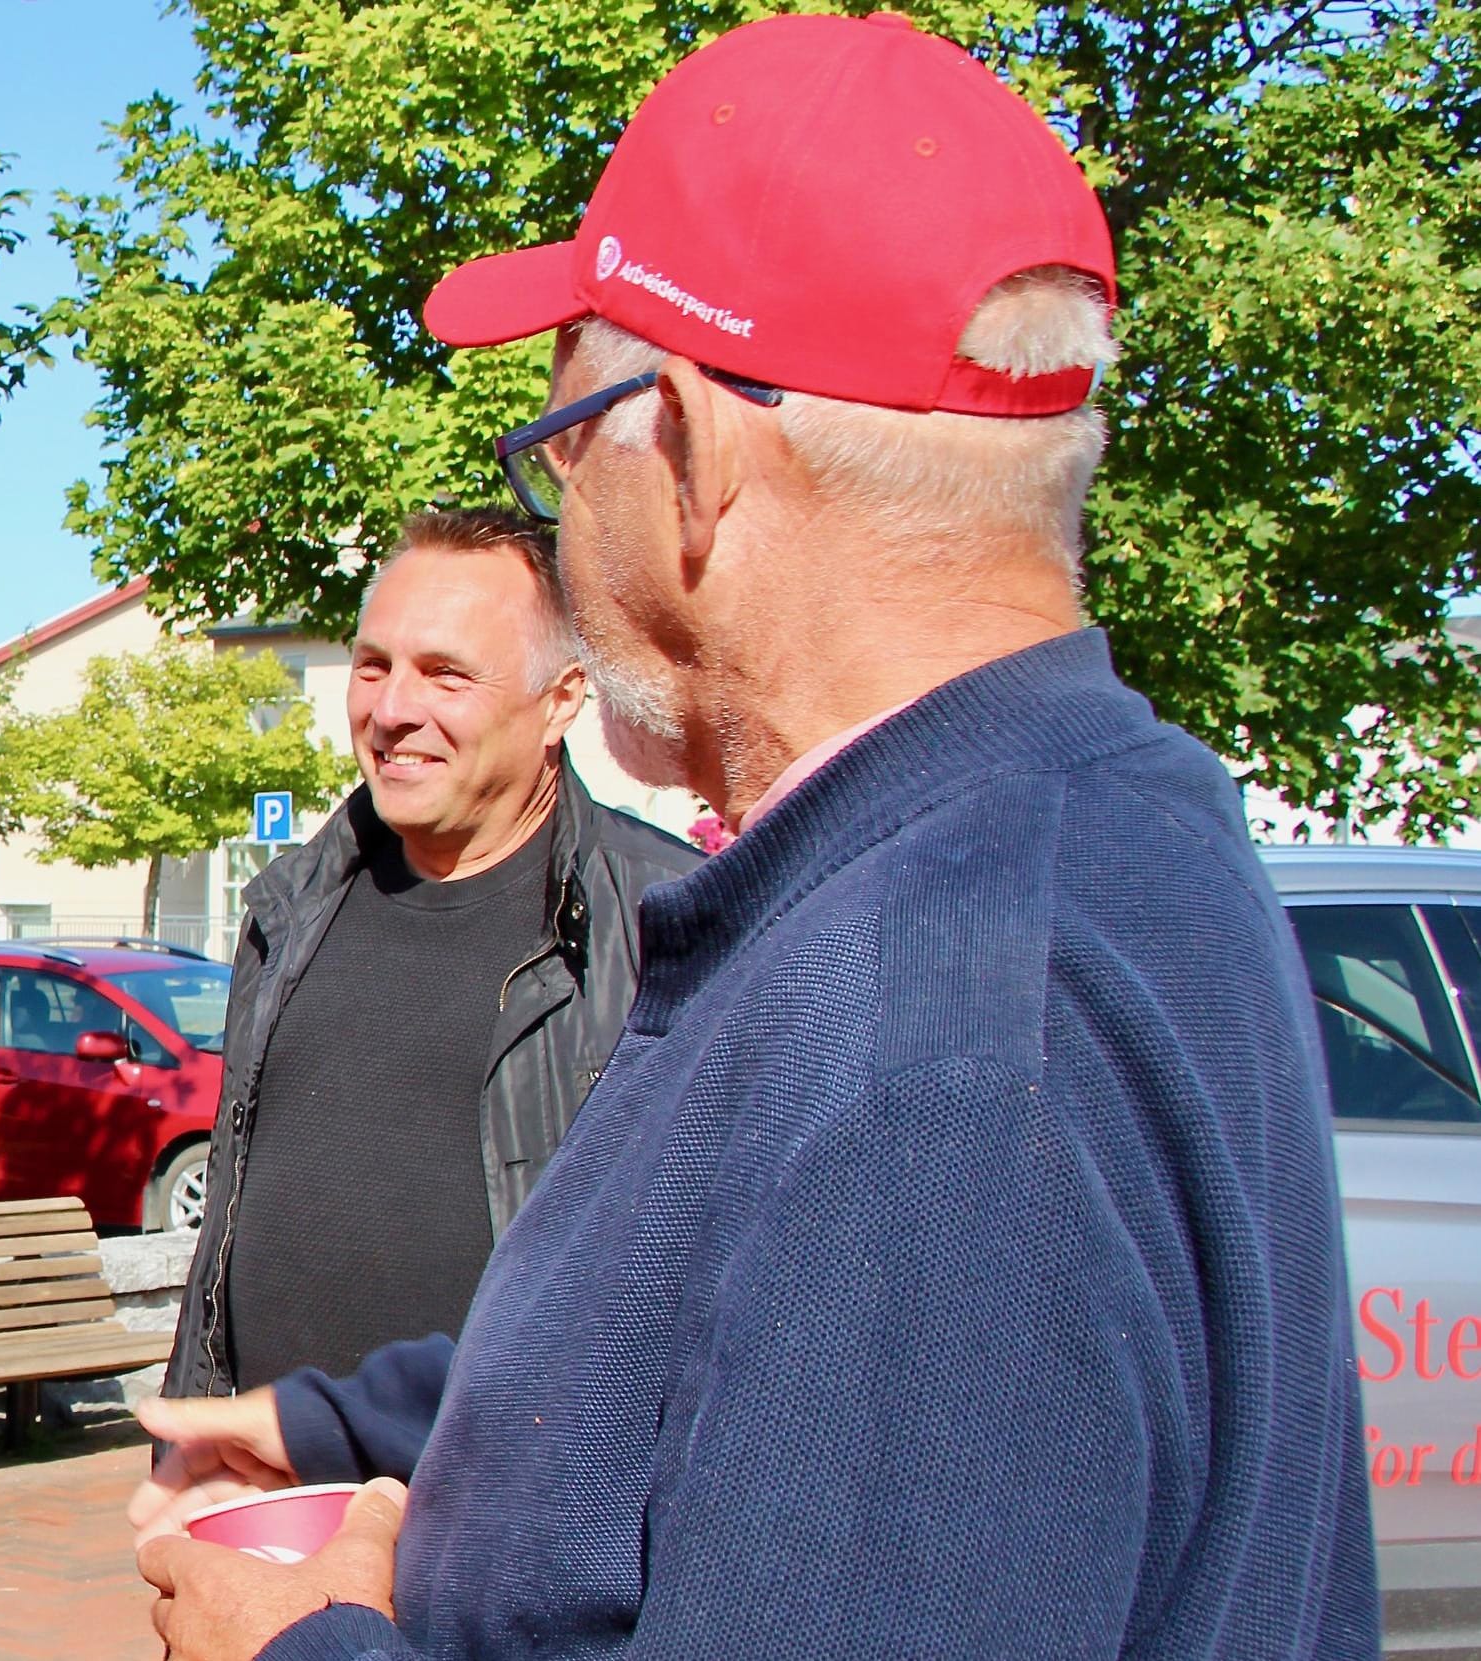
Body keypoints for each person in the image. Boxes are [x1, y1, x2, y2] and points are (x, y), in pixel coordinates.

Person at [129, 15, 1379, 1661]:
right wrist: (346, 1422)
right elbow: (710, 1345)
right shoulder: (1109, 826)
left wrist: (300, 1647)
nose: (568, 517)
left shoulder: (941, 1017)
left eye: (562, 450)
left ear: (693, 448)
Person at [165, 506, 697, 1402]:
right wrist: (191, 1435)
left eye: (446, 675)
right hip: (258, 1477)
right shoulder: (286, 909)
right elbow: (225, 1237)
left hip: (514, 1484)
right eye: (374, 665)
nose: (392, 711)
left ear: (562, 699)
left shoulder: (670, 922)